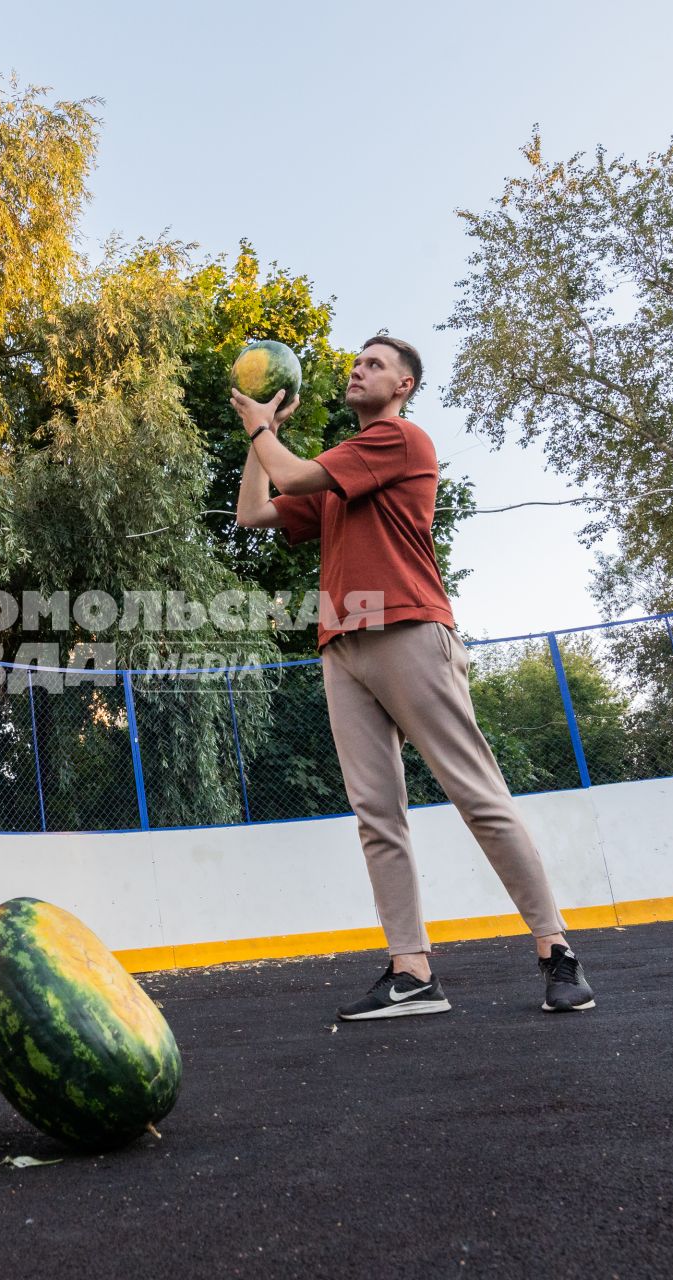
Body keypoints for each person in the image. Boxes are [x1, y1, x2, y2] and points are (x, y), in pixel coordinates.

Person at [230, 335, 595, 1018]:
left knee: (477, 795)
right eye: (355, 362)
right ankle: (411, 971)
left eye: (374, 364)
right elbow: (256, 511)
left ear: (402, 386)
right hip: (344, 647)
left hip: (409, 632)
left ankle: (556, 950)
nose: (357, 370)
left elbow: (295, 473)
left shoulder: (400, 440)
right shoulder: (343, 473)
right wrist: (263, 435)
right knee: (376, 814)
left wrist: (261, 426)